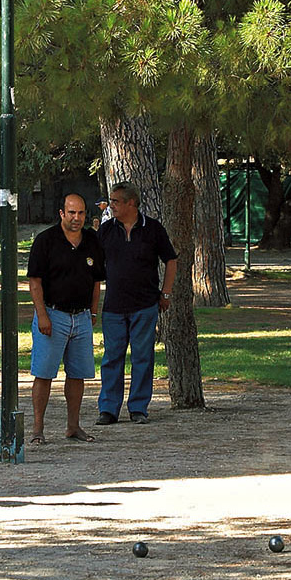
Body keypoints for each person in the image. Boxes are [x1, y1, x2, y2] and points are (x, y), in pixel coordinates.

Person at [96, 182, 177, 425]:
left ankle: (138, 408)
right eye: (111, 201)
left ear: (131, 203)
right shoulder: (107, 230)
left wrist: (166, 293)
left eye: (116, 201)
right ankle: (108, 409)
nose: (112, 206)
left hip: (144, 305)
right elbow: (93, 262)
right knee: (112, 358)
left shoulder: (152, 229)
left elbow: (170, 260)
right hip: (113, 306)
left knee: (143, 357)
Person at [27, 194, 106, 444]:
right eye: (71, 213)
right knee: (44, 374)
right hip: (52, 314)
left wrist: (93, 312)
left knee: (78, 374)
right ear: (61, 213)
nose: (76, 218)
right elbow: (34, 281)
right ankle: (38, 428)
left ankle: (73, 427)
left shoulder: (92, 239)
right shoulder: (46, 240)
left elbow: (96, 281)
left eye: (81, 213)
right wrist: (42, 315)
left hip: (81, 316)